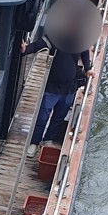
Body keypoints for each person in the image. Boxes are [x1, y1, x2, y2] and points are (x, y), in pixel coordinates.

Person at [23, 30, 92, 158]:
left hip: (69, 87)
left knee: (59, 117)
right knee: (42, 117)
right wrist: (25, 49)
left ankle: (48, 139)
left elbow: (85, 53)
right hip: (52, 87)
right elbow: (38, 45)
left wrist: (88, 69)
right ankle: (34, 142)